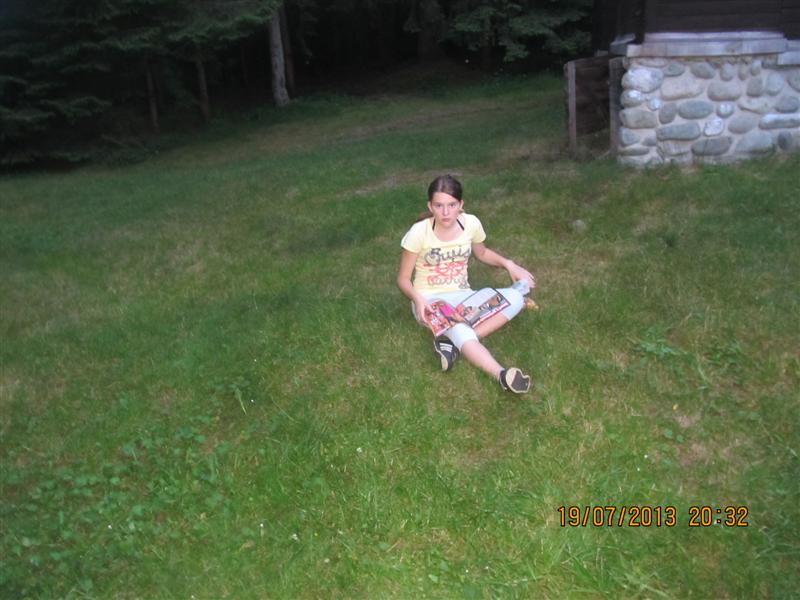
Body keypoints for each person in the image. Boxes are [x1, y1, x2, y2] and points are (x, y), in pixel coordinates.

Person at [397, 174, 537, 394]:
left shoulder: (471, 223)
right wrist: (418, 300)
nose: (445, 212)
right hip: (430, 302)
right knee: (460, 329)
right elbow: (403, 279)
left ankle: (452, 344)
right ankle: (502, 375)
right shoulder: (419, 232)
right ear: (430, 206)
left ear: (461, 205)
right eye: (439, 205)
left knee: (516, 297)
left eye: (452, 205)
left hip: (464, 297)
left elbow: (482, 253)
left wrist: (509, 264)